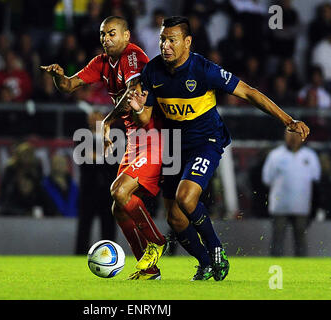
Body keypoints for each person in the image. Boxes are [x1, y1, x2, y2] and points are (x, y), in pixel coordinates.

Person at [127, 16, 310, 281]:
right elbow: (144, 119)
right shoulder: (152, 71)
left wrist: (288, 120)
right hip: (174, 147)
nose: (165, 45)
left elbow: (248, 92)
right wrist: (137, 111)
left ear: (187, 42)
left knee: (186, 197)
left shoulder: (203, 69)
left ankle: (216, 250)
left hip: (206, 142)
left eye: (172, 40)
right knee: (175, 219)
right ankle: (205, 263)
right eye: (162, 39)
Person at [40, 16, 167, 280]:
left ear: (126, 36)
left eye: (111, 34)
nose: (105, 39)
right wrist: (58, 77)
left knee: (119, 192)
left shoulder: (133, 56)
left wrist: (108, 121)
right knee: (118, 207)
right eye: (102, 34)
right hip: (135, 141)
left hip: (153, 136)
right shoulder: (100, 63)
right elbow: (69, 86)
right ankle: (149, 268)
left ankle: (157, 241)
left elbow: (133, 90)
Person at [262, 129, 321, 256]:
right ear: (285, 136)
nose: (293, 138)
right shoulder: (275, 155)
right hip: (280, 206)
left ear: (302, 137)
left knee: (301, 240)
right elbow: (267, 179)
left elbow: (316, 179)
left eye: (296, 135)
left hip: (301, 206)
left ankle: (301, 272)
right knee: (277, 239)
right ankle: (275, 270)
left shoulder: (310, 156)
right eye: (290, 134)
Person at [74, 111, 118, 254]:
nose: (94, 121)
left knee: (109, 226)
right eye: (92, 118)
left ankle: (110, 253)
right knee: (84, 225)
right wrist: (104, 155)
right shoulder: (81, 137)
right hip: (88, 189)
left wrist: (95, 155)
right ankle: (80, 253)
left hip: (107, 190)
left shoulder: (111, 137)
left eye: (97, 117)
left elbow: (113, 160)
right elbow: (84, 158)